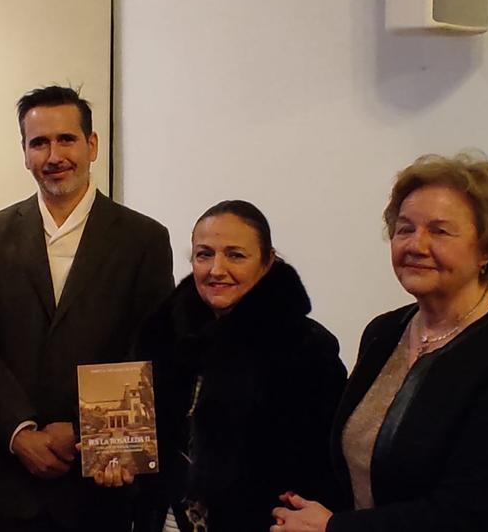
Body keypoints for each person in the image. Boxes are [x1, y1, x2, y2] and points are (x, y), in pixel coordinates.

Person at [272, 153, 488, 532]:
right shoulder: (384, 332)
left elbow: (475, 514)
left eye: (440, 231)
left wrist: (333, 527)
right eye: (405, 229)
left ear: (486, 250)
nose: (415, 245)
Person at [0, 85, 174, 531]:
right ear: (24, 153)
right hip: (13, 484)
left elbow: (150, 355)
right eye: (39, 142)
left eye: (66, 139)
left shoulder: (144, 240)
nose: (54, 155)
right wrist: (20, 433)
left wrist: (83, 432)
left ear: (92, 145)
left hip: (102, 482)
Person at [122, 200, 347, 531]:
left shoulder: (307, 351)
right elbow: (143, 441)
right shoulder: (161, 337)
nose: (216, 269)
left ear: (268, 261)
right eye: (204, 254)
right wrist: (119, 458)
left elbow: (319, 473)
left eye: (236, 255)